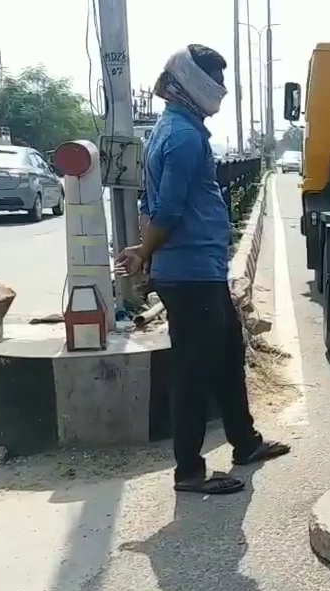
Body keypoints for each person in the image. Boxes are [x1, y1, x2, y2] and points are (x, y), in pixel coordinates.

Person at [116, 44, 289, 495]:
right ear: (194, 84)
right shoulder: (183, 138)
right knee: (193, 372)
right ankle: (189, 471)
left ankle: (244, 441)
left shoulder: (175, 130)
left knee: (229, 352)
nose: (223, 91)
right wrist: (143, 252)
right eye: (216, 81)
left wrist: (144, 248)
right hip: (190, 273)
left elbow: (153, 204)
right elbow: (167, 210)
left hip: (199, 270)